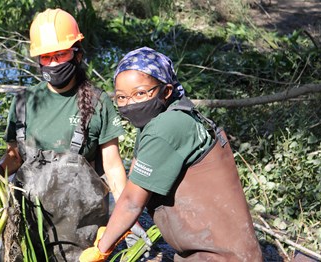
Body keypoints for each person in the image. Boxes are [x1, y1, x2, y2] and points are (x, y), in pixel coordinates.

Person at [0, 9, 149, 262]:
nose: (55, 63)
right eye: (47, 57)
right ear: (38, 59)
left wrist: (129, 219)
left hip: (82, 230)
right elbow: (15, 156)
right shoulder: (25, 101)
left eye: (61, 54)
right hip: (30, 221)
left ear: (77, 52)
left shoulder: (98, 102)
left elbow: (113, 168)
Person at [80, 47, 263, 261]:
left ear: (166, 91)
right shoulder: (174, 113)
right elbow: (135, 181)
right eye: (121, 97)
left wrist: (102, 248)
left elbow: (132, 202)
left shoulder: (166, 127)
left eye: (140, 93)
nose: (130, 103)